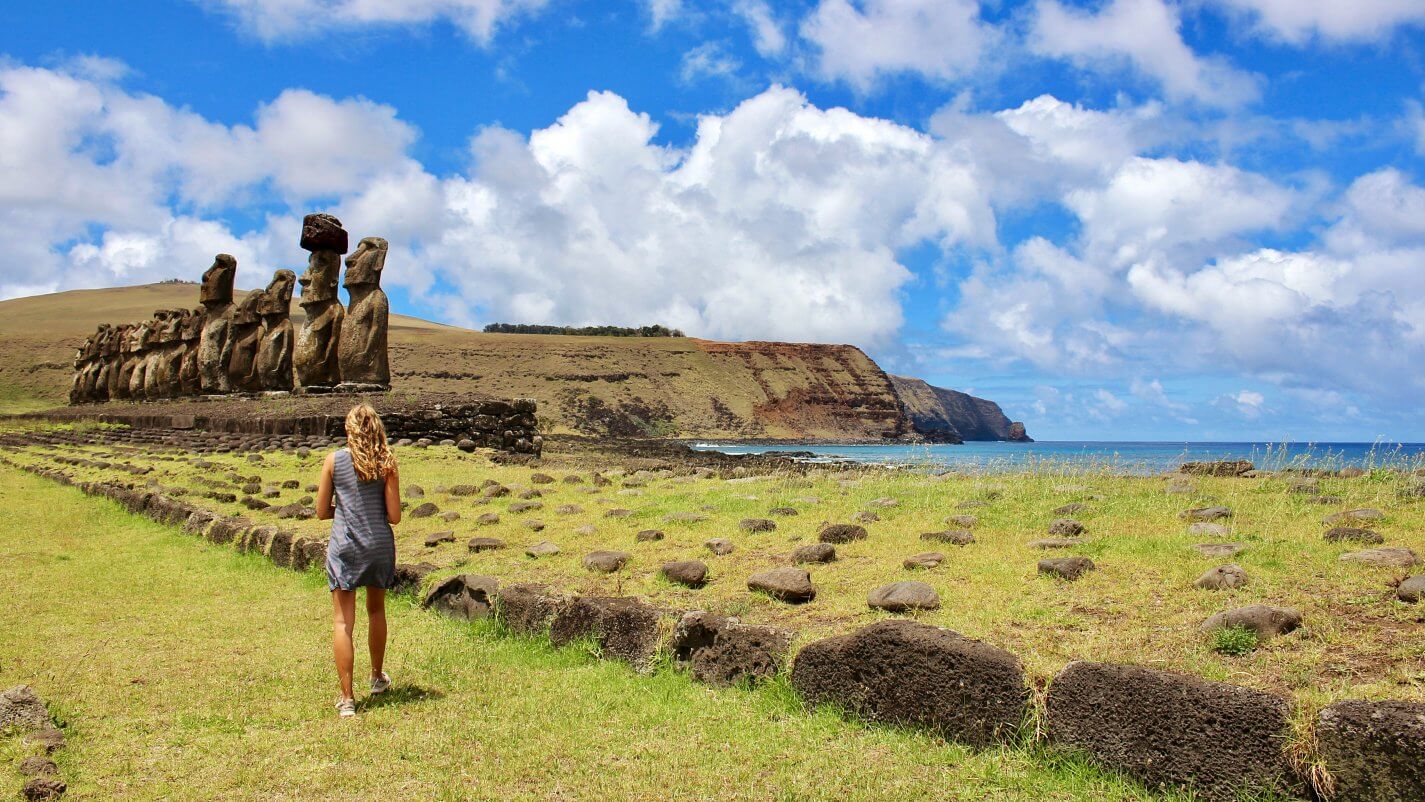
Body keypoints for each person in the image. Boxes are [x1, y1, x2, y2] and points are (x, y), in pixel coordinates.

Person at [315, 403, 401, 717]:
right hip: (378, 545)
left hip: (346, 546)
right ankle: (377, 676)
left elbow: (322, 510)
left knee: (342, 622)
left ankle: (347, 698)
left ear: (349, 429)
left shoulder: (333, 461)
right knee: (376, 610)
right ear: (377, 428)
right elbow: (394, 516)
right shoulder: (387, 462)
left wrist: (346, 512)